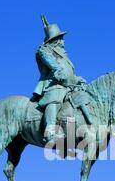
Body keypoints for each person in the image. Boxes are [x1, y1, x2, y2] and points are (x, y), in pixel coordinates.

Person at [33, 14, 87, 143]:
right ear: (55, 40)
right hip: (53, 84)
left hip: (68, 86)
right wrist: (59, 73)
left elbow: (69, 74)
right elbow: (54, 66)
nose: (63, 41)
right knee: (55, 98)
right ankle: (50, 131)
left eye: (62, 38)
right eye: (61, 38)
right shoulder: (44, 50)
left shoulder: (64, 55)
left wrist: (77, 79)